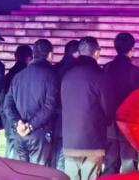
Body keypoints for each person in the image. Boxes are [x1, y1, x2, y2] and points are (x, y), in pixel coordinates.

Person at [2, 38, 59, 167]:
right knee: (38, 173)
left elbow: (7, 106)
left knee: (21, 172)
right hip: (39, 134)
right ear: (50, 54)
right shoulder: (51, 75)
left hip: (19, 133)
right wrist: (31, 126)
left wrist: (18, 123)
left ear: (33, 55)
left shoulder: (18, 76)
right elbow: (49, 106)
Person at [60, 37, 109, 180]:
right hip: (93, 140)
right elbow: (108, 108)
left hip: (70, 140)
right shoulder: (99, 76)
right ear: (96, 52)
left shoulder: (67, 75)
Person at [103, 32, 139, 175]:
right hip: (128, 126)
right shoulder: (134, 71)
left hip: (109, 125)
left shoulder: (106, 68)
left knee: (109, 166)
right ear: (131, 49)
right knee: (129, 167)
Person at [53, 39, 81, 171]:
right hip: (70, 118)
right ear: (77, 53)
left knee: (55, 152)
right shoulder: (76, 71)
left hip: (54, 117)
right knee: (64, 157)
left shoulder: (55, 69)